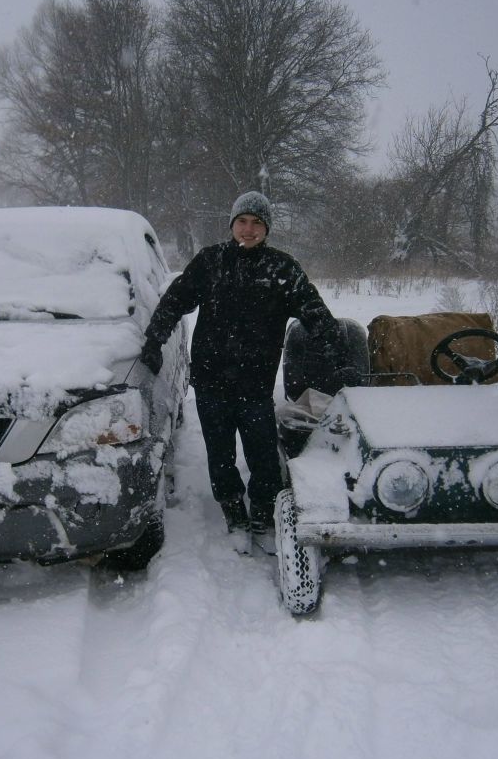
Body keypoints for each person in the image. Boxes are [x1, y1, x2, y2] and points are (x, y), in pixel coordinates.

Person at [138, 191, 346, 537]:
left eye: (257, 223)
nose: (248, 230)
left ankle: (263, 510)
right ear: (232, 224)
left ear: (266, 228)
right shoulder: (210, 262)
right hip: (210, 380)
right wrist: (154, 340)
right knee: (220, 455)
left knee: (263, 454)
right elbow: (175, 300)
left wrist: (337, 353)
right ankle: (233, 509)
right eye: (242, 222)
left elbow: (315, 313)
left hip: (255, 383)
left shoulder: (283, 269)